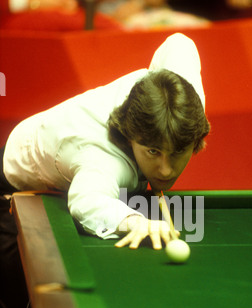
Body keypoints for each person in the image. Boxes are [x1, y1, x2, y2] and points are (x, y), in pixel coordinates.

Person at [2, 33, 210, 251]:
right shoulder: (102, 156)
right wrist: (136, 222)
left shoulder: (186, 102)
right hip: (12, 186)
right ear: (130, 138)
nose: (166, 171)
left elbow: (179, 43)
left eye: (177, 151)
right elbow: (86, 202)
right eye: (153, 152)